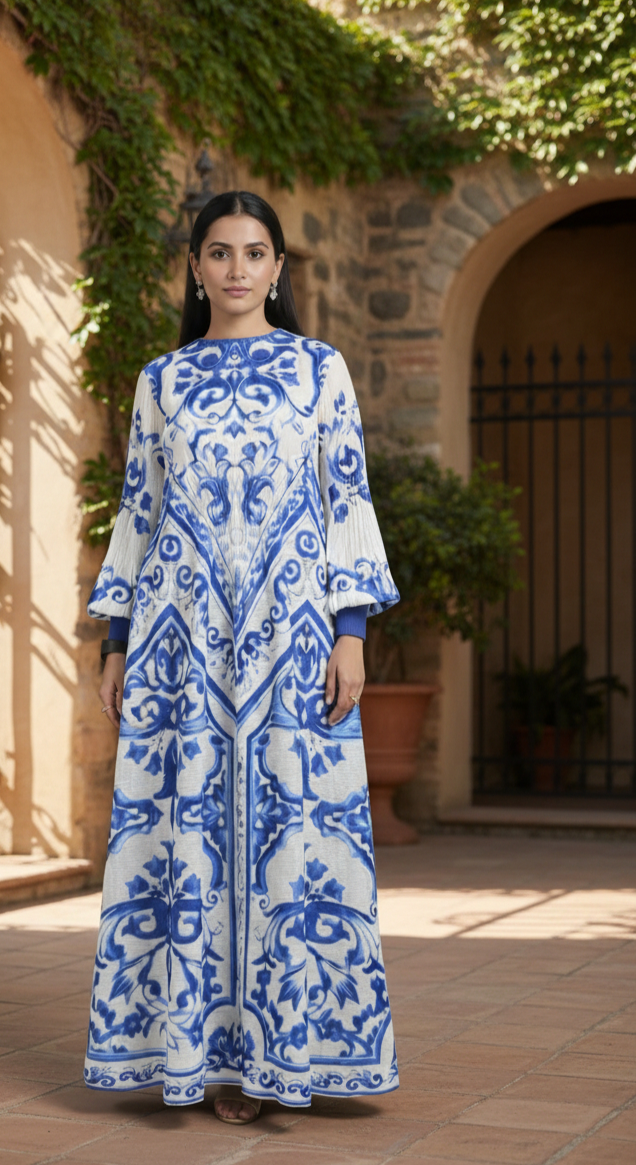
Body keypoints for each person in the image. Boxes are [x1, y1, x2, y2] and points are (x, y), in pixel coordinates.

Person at [85, 190, 400, 1124]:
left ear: (277, 268)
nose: (235, 268)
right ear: (195, 268)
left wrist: (352, 630)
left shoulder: (319, 369)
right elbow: (139, 511)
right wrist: (116, 641)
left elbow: (347, 498)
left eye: (254, 252)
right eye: (218, 252)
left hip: (291, 640)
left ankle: (289, 1052)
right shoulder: (161, 382)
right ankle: (203, 1056)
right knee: (187, 838)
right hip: (179, 646)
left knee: (291, 833)